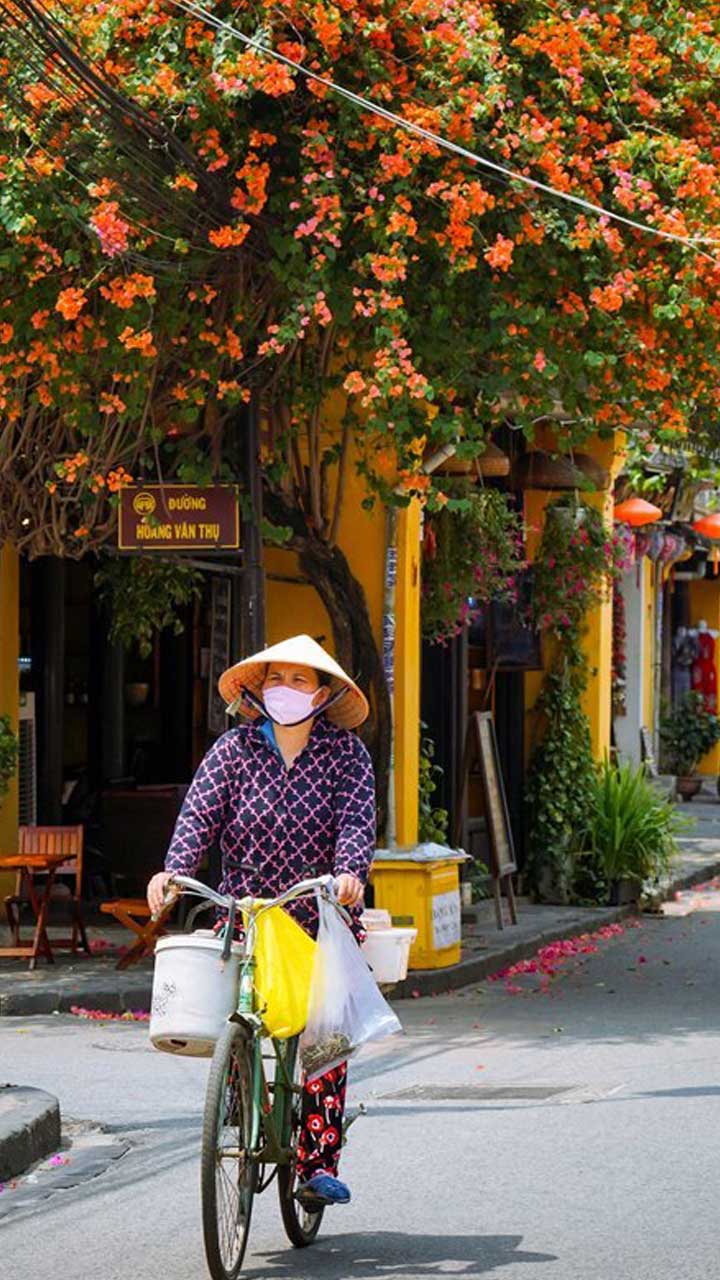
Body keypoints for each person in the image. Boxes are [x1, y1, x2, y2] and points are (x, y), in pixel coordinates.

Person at [147, 634, 375, 1208]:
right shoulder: (233, 752)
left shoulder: (348, 757)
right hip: (246, 912)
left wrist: (349, 874)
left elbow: (356, 827)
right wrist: (172, 873)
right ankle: (240, 1086)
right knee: (233, 1013)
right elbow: (197, 816)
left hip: (317, 915)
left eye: (300, 681)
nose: (287, 690)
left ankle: (317, 1163)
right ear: (259, 689)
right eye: (277, 679)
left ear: (323, 694)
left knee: (323, 1037)